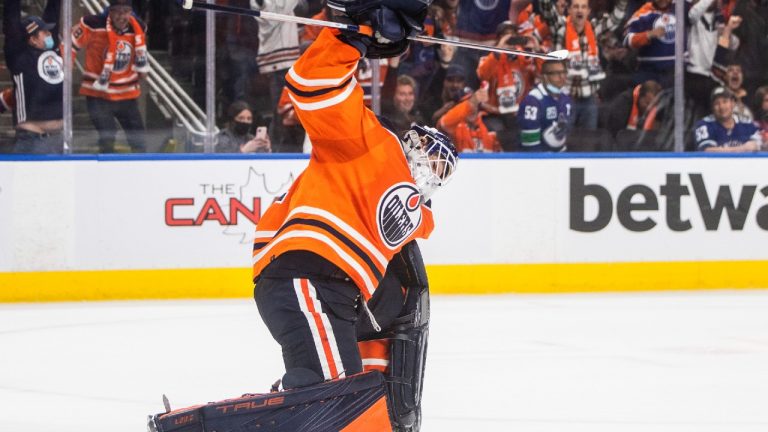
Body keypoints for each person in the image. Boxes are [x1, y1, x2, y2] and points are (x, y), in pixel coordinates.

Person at [251, 2, 458, 430]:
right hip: (305, 277)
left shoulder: (420, 217)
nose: (432, 168)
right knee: (336, 404)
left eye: (442, 170)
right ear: (410, 139)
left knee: (348, 401)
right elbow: (310, 85)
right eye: (430, 154)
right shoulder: (371, 141)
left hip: (335, 296)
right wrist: (353, 36)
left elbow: (402, 296)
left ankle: (288, 408)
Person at [72, 0, 149, 153]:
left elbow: (139, 54)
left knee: (139, 140)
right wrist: (67, 63)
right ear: (110, 11)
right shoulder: (92, 24)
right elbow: (70, 43)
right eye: (118, 12)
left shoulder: (139, 27)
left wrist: (141, 69)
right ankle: (105, 174)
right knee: (107, 138)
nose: (122, 16)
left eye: (126, 11)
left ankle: (139, 174)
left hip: (127, 95)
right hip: (98, 94)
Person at [3, 0, 64, 154]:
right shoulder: (19, 57)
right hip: (31, 139)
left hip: (58, 139)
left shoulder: (53, 51)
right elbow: (11, 19)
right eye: (45, 32)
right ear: (33, 39)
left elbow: (54, 10)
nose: (50, 35)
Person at [476, 21, 536, 151]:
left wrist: (535, 48)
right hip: (493, 114)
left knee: (527, 135)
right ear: (499, 39)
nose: (510, 41)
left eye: (513, 36)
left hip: (518, 114)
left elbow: (539, 74)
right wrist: (500, 48)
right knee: (501, 137)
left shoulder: (524, 58)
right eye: (506, 36)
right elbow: (483, 74)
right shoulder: (489, 59)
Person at [556, 0, 606, 129]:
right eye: (576, 7)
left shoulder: (594, 30)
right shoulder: (559, 29)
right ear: (569, 10)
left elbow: (616, 19)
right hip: (566, 97)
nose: (579, 10)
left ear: (588, 11)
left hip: (589, 99)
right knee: (563, 140)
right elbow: (546, 10)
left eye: (583, 7)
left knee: (588, 142)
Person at [518, 60, 572, 151]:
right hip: (540, 160)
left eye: (563, 72)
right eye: (556, 73)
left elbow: (564, 136)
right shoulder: (532, 101)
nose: (562, 77)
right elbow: (530, 145)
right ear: (545, 77)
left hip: (561, 158)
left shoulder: (565, 98)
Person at [694, 87, 763, 152]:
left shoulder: (746, 123)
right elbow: (707, 150)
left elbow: (759, 144)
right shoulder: (704, 124)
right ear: (712, 107)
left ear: (733, 103)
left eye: (725, 101)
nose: (721, 107)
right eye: (717, 103)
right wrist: (742, 148)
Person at [438, 82, 501, 153]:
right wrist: (471, 103)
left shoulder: (490, 126)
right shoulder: (452, 127)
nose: (471, 109)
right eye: (464, 104)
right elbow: (443, 124)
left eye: (475, 104)